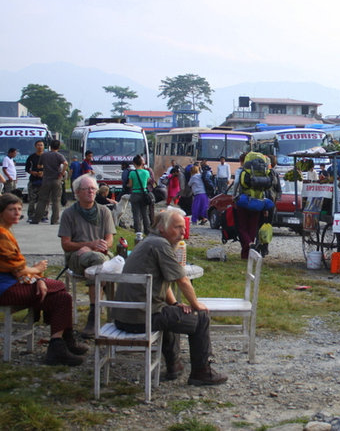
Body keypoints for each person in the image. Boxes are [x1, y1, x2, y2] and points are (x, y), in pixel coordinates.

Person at [113, 209, 228, 386]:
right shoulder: (161, 245)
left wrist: (175, 303)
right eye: (177, 227)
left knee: (173, 311)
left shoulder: (149, 242)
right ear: (162, 228)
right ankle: (201, 372)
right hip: (140, 319)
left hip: (123, 317)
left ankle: (174, 365)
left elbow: (164, 280)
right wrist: (196, 305)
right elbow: (182, 280)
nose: (183, 232)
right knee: (201, 318)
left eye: (184, 227)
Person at [0, 193, 88, 365]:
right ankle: (62, 343)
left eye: (19, 209)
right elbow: (16, 267)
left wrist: (38, 278)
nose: (17, 213)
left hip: (14, 282)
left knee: (63, 297)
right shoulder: (1, 234)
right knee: (58, 285)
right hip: (5, 288)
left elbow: (18, 268)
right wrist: (38, 271)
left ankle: (59, 344)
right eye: (12, 209)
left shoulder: (6, 231)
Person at [59, 174, 116, 338]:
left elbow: (109, 239)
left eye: (93, 188)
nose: (91, 192)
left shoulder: (104, 211)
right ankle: (95, 314)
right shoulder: (69, 214)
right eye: (87, 189)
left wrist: (102, 245)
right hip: (77, 256)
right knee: (100, 262)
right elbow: (66, 244)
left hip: (100, 253)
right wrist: (89, 245)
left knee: (115, 264)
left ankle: (114, 312)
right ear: (77, 192)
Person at [35, 139, 68, 225]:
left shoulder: (44, 155)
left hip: (46, 179)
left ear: (50, 146)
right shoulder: (59, 155)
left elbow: (39, 166)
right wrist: (62, 173)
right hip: (56, 179)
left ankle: (36, 219)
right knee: (56, 200)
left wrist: (45, 166)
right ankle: (54, 220)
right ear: (58, 147)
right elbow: (66, 163)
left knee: (42, 199)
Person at [127, 155, 152, 235]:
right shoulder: (146, 172)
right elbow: (148, 181)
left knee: (136, 214)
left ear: (134, 163)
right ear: (142, 163)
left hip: (135, 194)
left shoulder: (132, 173)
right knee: (145, 214)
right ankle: (147, 231)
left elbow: (130, 185)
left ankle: (138, 232)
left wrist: (127, 185)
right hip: (144, 193)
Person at [26, 140, 47, 223]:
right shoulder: (31, 157)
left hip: (44, 181)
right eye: (38, 145)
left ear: (44, 146)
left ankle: (43, 216)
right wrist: (33, 172)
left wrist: (43, 173)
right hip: (33, 180)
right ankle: (31, 215)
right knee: (32, 199)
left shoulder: (46, 157)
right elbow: (27, 169)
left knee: (44, 199)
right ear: (35, 146)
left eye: (41, 145)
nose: (40, 146)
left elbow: (50, 167)